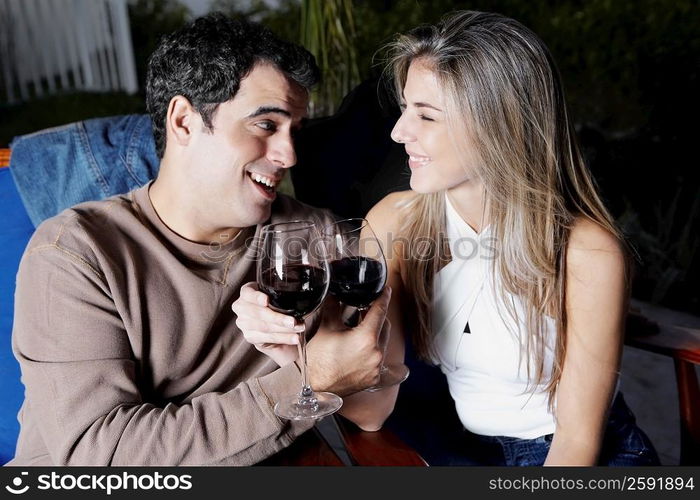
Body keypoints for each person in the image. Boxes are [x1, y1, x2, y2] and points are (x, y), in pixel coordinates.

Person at [237, 10, 660, 466]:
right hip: (473, 454)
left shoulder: (587, 251)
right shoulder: (395, 223)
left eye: (427, 116)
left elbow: (577, 445)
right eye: (404, 109)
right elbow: (374, 412)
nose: (399, 133)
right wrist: (294, 358)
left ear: (498, 125)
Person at [8, 13, 390, 466]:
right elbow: (101, 458)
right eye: (266, 125)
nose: (289, 155)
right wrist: (310, 380)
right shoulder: (76, 254)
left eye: (295, 131)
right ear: (185, 121)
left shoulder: (309, 238)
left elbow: (371, 398)